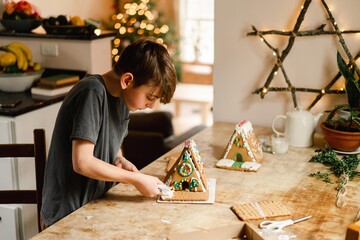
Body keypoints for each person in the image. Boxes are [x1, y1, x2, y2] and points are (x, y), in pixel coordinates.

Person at [40, 38, 178, 228]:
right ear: (127, 80)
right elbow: (82, 162)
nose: (151, 105)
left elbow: (112, 142)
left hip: (94, 206)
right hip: (66, 214)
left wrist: (119, 159)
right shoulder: (92, 92)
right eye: (150, 97)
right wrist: (136, 179)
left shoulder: (122, 100)